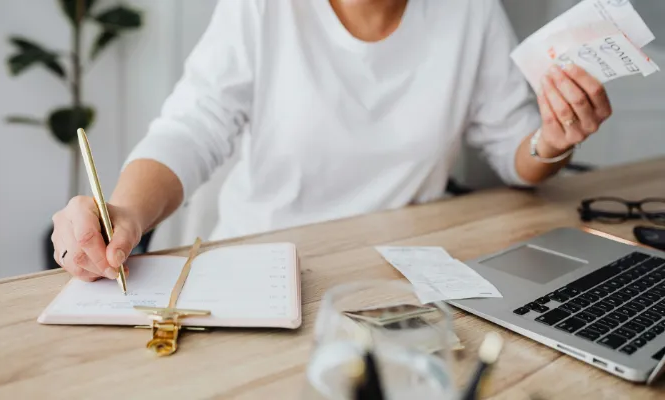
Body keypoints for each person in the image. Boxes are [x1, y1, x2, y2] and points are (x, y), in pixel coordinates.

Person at [51, 0, 613, 281]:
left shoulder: (470, 10)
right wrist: (123, 208)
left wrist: (551, 140)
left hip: (406, 276)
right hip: (262, 272)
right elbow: (192, 127)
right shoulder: (263, 8)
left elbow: (515, 148)